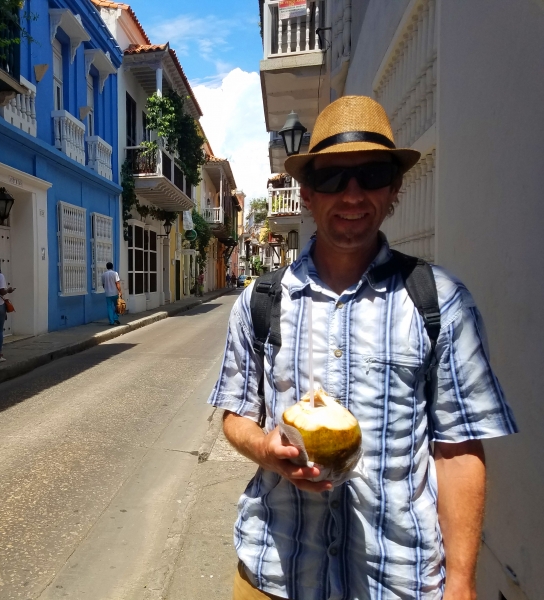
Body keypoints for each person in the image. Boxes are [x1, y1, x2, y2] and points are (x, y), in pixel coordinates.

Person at [208, 96, 517, 600]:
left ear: (394, 188)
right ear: (306, 193)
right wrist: (266, 448)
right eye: (331, 177)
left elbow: (459, 450)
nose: (352, 194)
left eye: (371, 174)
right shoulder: (259, 301)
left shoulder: (440, 302)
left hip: (397, 581)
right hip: (276, 576)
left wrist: (461, 583)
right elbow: (235, 416)